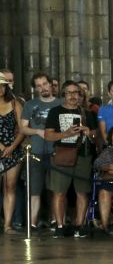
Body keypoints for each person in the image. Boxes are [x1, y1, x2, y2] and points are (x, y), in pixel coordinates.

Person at [44, 81, 97, 238]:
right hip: (62, 154)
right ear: (63, 94)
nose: (73, 96)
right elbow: (48, 135)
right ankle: (60, 225)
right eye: (69, 92)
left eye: (76, 93)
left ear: (80, 95)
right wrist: (66, 134)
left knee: (82, 192)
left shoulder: (87, 113)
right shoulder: (55, 112)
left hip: (83, 155)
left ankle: (80, 225)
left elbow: (96, 136)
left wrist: (88, 132)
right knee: (59, 192)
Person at [20, 73, 63, 231]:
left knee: (56, 189)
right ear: (35, 88)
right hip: (36, 151)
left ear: (50, 84)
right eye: (39, 85)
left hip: (56, 151)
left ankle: (56, 220)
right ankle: (32, 223)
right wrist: (37, 131)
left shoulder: (61, 103)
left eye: (45, 84)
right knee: (35, 190)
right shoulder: (30, 105)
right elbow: (23, 128)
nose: (43, 88)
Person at [0, 73, 24, 235]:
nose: (0, 89)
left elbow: (22, 129)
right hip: (2, 147)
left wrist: (12, 147)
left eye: (3, 85)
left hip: (13, 149)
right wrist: (2, 147)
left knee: (10, 187)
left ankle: (8, 225)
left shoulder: (15, 104)